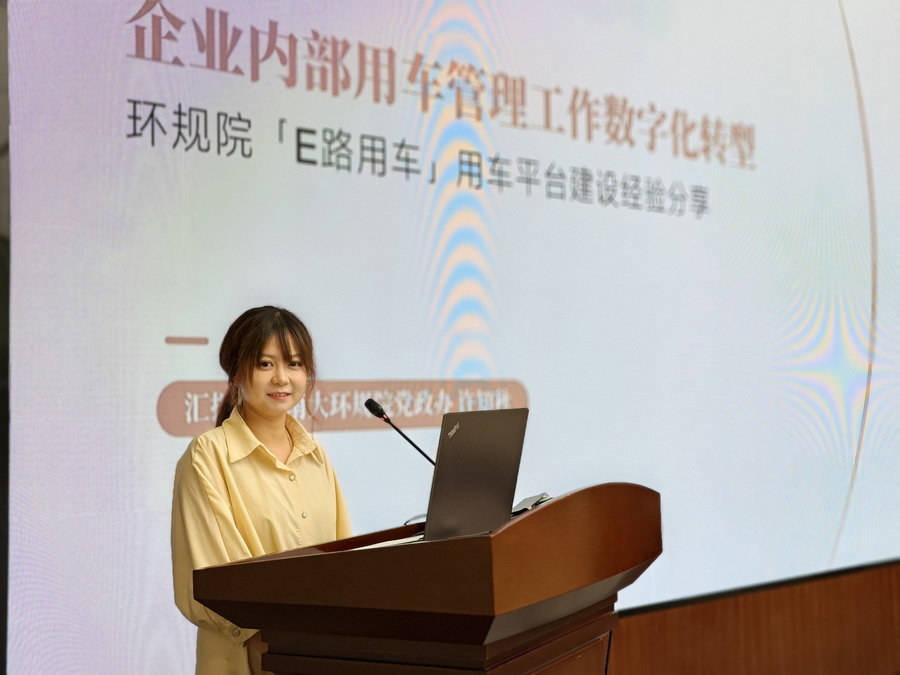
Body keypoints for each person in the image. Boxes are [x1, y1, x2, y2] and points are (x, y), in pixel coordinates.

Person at [171, 306, 352, 675]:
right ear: (237, 371)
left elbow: (342, 561)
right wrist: (285, 637)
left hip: (316, 654)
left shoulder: (315, 454)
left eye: (294, 364)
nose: (281, 378)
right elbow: (215, 582)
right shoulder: (208, 455)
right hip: (247, 659)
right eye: (265, 364)